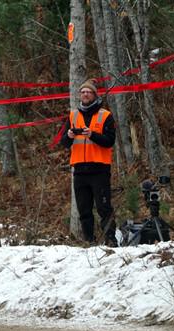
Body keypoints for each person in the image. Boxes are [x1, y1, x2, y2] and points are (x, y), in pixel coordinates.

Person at [59, 79, 117, 246]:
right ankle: (89, 242)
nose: (85, 94)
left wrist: (92, 134)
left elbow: (109, 141)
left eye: (88, 92)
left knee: (104, 208)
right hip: (79, 170)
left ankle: (110, 240)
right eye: (83, 92)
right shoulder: (73, 115)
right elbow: (64, 143)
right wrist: (69, 136)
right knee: (84, 210)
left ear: (94, 95)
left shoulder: (105, 115)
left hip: (99, 169)